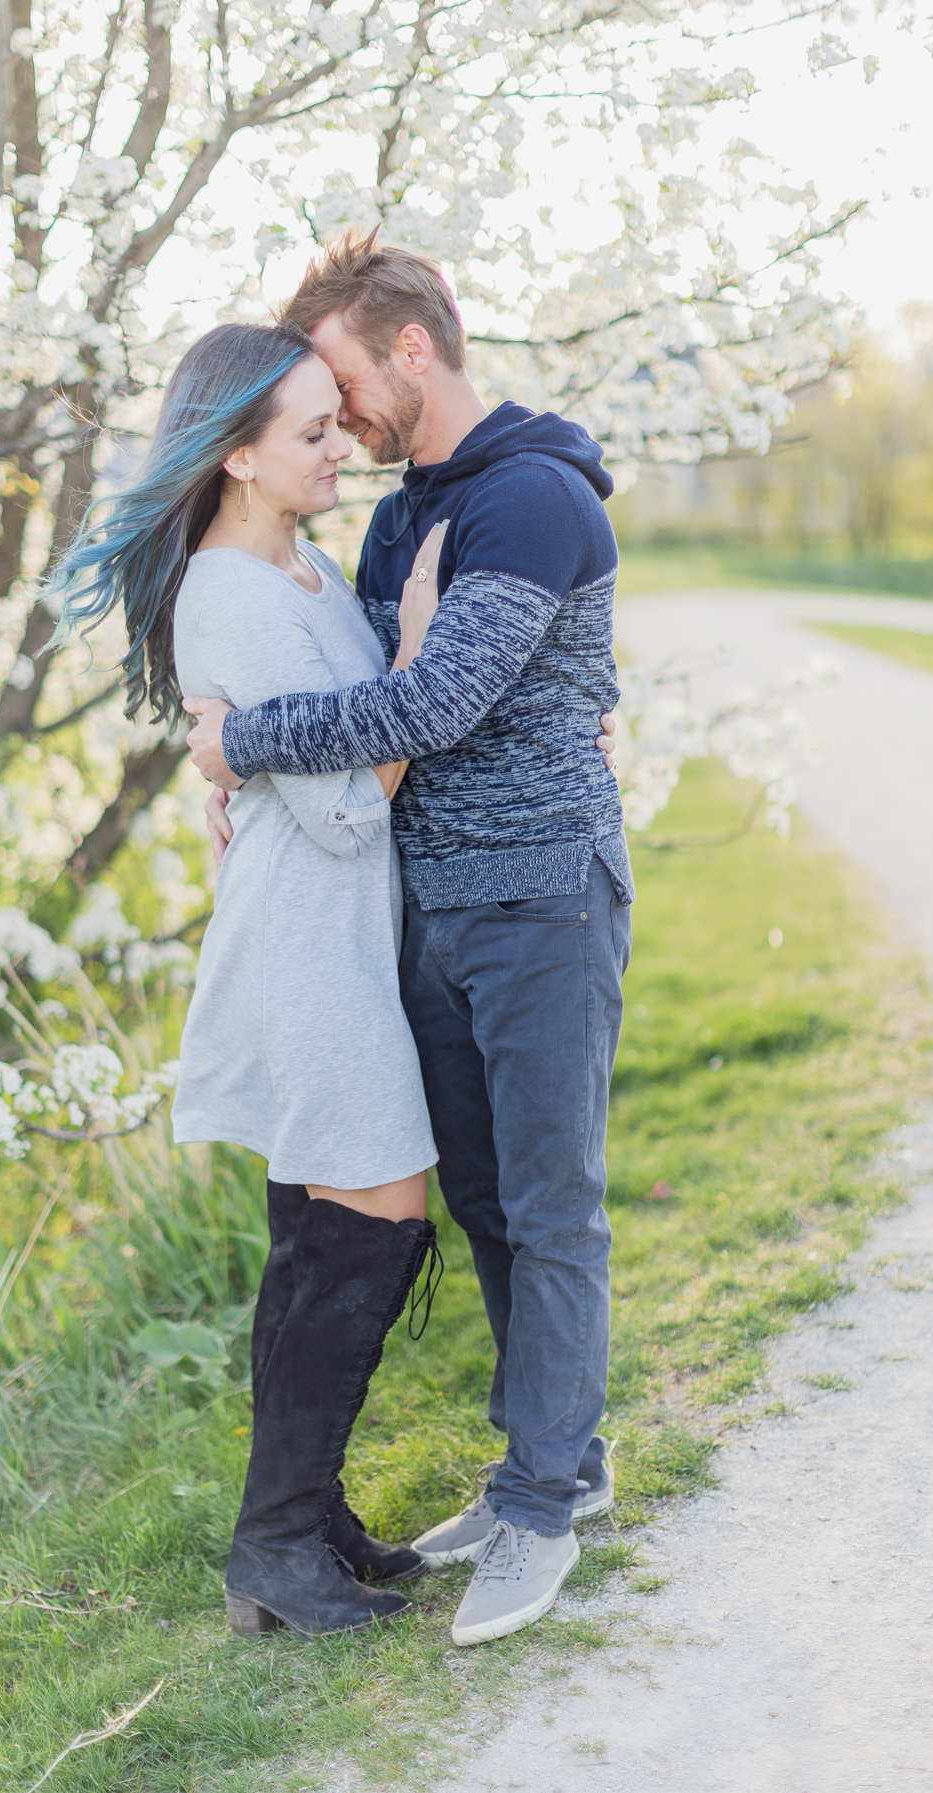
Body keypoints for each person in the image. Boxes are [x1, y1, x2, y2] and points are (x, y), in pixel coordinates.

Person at [182, 229, 629, 1649]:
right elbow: (369, 695)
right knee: (492, 1199)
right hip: (430, 908)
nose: (344, 418)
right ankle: (548, 1458)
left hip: (541, 896)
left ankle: (545, 1505)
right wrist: (250, 771)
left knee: (550, 1202)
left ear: (412, 349)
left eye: (346, 383)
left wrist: (237, 746)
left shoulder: (535, 501)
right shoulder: (396, 517)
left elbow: (426, 709)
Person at [50, 323, 448, 1636]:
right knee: (376, 1214)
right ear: (235, 453)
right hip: (308, 944)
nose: (342, 447)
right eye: (313, 430)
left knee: (327, 1226)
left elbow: (311, 763)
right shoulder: (228, 589)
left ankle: (298, 1523)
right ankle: (276, 1537)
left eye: (340, 419)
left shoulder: (306, 569)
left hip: (338, 934)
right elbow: (342, 810)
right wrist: (422, 668)